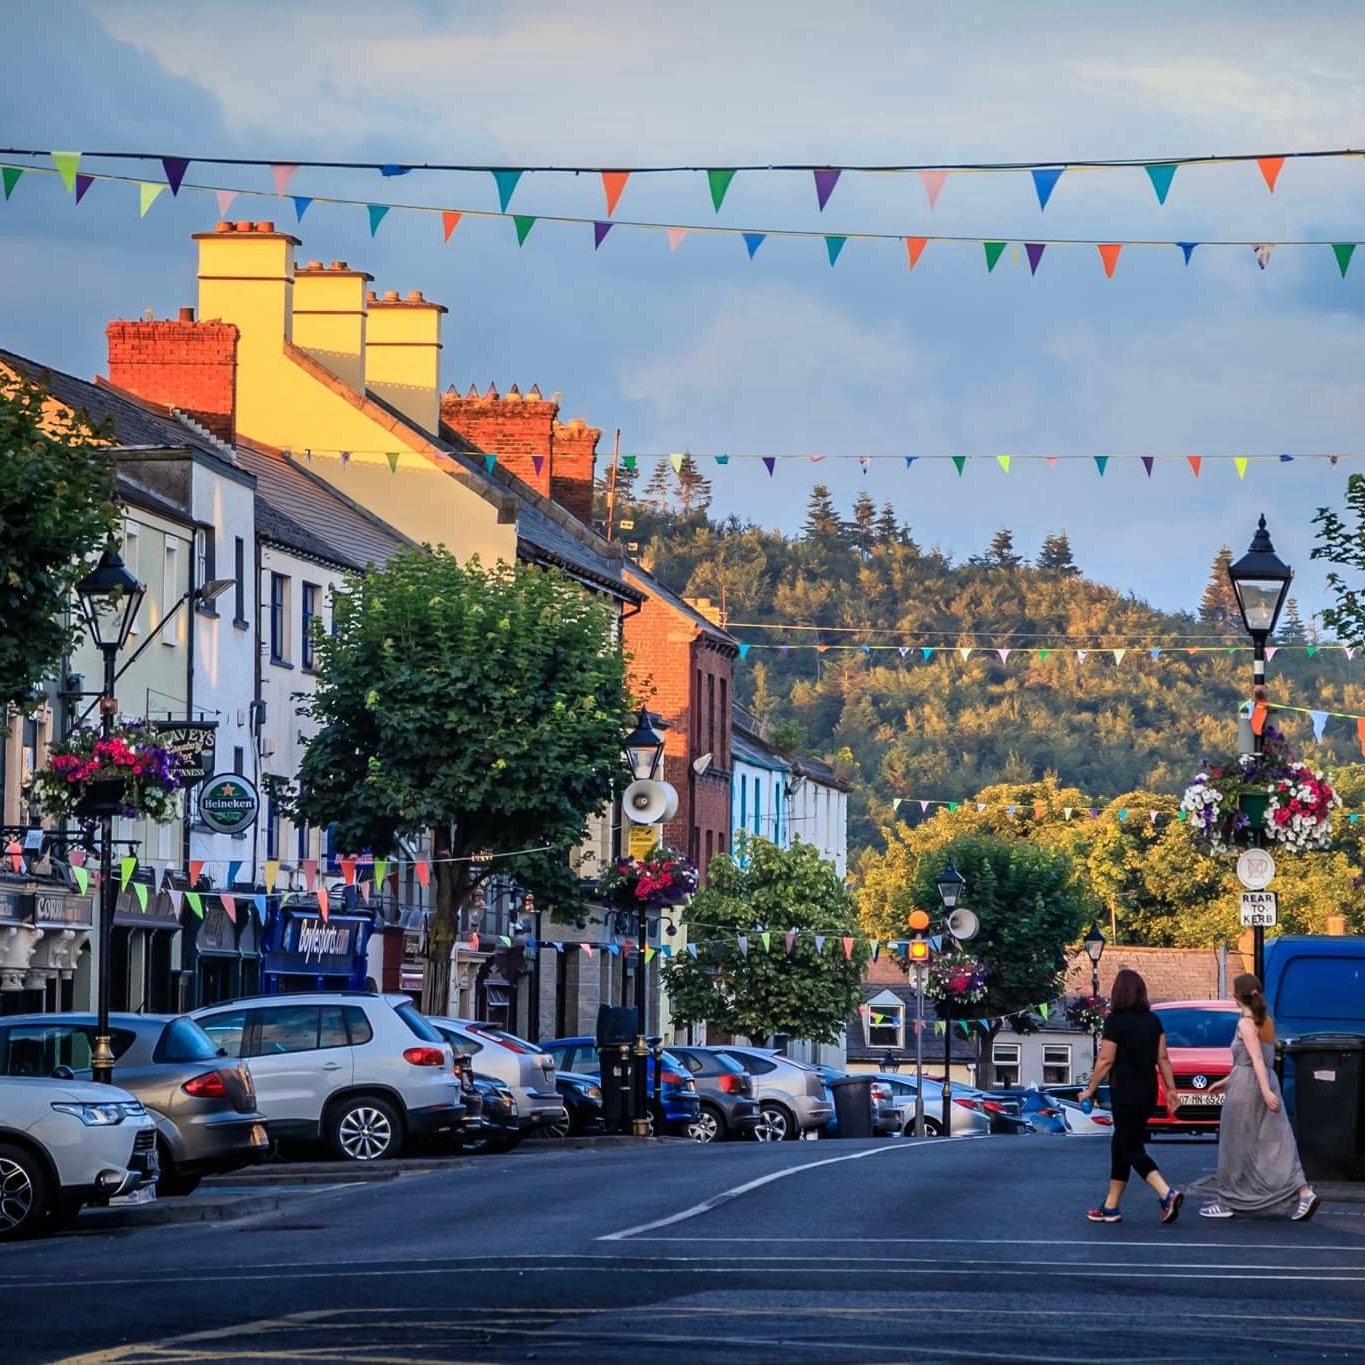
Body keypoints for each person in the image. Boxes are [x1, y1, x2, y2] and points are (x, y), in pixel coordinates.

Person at [1200, 973, 1318, 1221]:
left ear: (1235, 997)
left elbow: (1255, 1061)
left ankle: (1229, 1200)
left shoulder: (1245, 1024)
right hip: (1261, 1083)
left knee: (1235, 1144)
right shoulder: (1267, 1023)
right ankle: (1303, 1191)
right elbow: (1258, 1061)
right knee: (1275, 1141)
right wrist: (1224, 1082)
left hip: (1248, 1090)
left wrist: (1263, 1092)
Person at [1079, 967, 1183, 1224]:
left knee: (1130, 1146)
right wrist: (1171, 1090)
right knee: (1121, 1144)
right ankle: (1111, 1206)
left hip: (1124, 1091)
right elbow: (1163, 1058)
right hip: (1148, 1090)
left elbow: (1105, 1060)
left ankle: (1166, 1193)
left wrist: (1090, 1089)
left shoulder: (1115, 1021)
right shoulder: (1153, 1020)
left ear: (1118, 992)